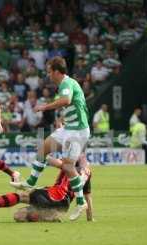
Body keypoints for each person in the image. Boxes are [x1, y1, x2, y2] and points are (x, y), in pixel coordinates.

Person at [11, 56, 90, 221]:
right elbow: (71, 104)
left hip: (78, 132)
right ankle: (30, 182)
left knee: (68, 167)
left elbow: (67, 100)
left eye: (49, 71)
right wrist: (62, 118)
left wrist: (45, 107)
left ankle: (81, 202)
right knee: (44, 148)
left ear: (56, 71)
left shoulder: (66, 83)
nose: (48, 75)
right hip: (69, 128)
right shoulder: (66, 84)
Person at [0, 156, 94, 222]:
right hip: (63, 206)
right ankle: (48, 216)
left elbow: (52, 161)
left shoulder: (69, 164)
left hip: (54, 195)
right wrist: (90, 218)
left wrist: (45, 153)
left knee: (22, 196)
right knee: (18, 216)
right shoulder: (88, 172)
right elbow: (88, 198)